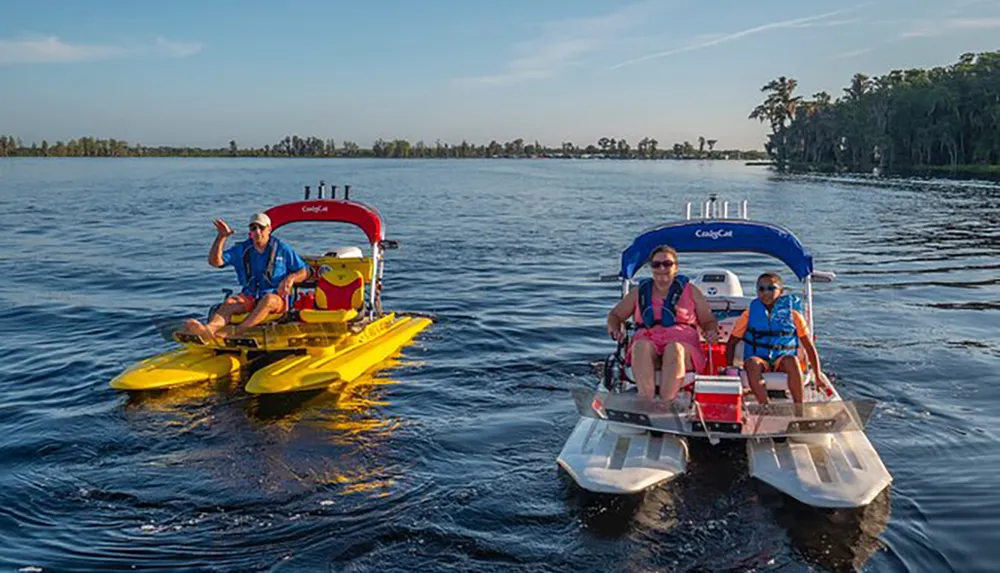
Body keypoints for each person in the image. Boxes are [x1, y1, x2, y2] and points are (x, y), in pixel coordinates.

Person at [606, 245, 719, 400]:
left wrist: (711, 331)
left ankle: (666, 403)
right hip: (648, 339)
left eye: (667, 264)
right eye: (656, 264)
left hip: (683, 344)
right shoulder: (639, 292)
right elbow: (615, 315)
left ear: (676, 267)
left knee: (674, 349)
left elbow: (708, 321)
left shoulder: (691, 291)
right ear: (651, 267)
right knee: (641, 346)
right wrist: (615, 328)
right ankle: (645, 400)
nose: (662, 268)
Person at [184, 212, 310, 340]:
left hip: (277, 299)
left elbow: (305, 271)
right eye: (253, 228)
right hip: (250, 296)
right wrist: (221, 237)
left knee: (268, 300)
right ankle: (209, 330)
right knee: (230, 302)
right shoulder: (242, 249)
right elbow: (215, 262)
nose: (257, 232)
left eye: (261, 228)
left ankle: (239, 332)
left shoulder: (282, 249)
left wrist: (291, 278)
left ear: (269, 229)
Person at [724, 272, 823, 406]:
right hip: (759, 359)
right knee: (752, 363)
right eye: (761, 289)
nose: (766, 292)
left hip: (781, 359)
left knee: (792, 360)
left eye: (771, 288)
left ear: (781, 291)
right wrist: (730, 368)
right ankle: (765, 405)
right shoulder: (748, 314)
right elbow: (732, 343)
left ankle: (799, 408)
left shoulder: (794, 316)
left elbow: (809, 347)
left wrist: (817, 376)